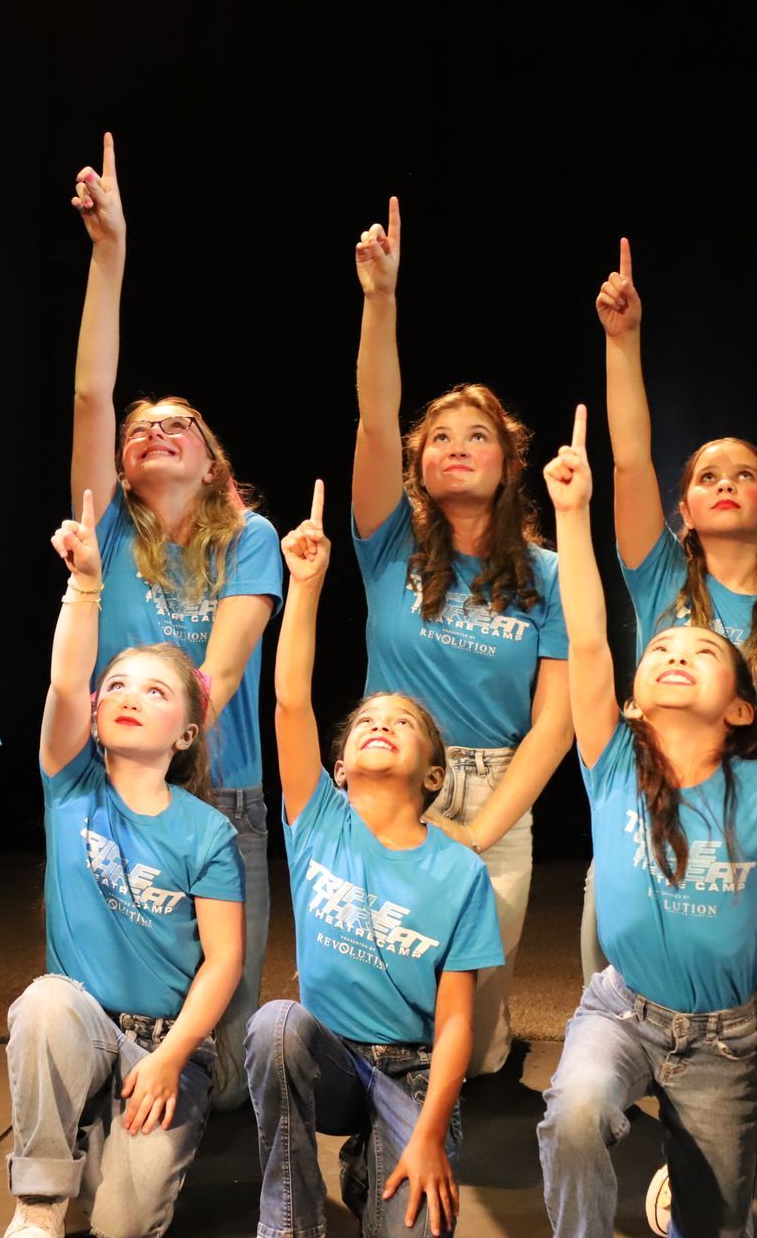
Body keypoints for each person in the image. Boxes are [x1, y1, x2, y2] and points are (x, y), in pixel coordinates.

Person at [536, 406, 757, 1238]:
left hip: (730, 1042)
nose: (671, 655)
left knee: (715, 1221)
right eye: (661, 650)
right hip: (623, 1010)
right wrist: (570, 516)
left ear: (739, 705)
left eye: (699, 654)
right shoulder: (614, 763)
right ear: (633, 696)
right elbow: (589, 641)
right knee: (578, 1113)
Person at [69, 133, 281, 1109]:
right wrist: (108, 254)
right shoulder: (109, 525)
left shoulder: (250, 536)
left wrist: (186, 708)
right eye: (140, 426)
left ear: (213, 462)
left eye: (178, 423)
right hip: (110, 789)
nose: (153, 428)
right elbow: (90, 391)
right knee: (100, 998)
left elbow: (228, 659)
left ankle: (202, 1131)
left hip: (220, 791)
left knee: (226, 1040)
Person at [351, 198, 572, 1078]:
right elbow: (374, 419)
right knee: (382, 1006)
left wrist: (478, 834)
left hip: (495, 794)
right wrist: (380, 300)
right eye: (437, 438)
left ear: (511, 463)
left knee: (470, 1048)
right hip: (387, 777)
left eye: (475, 436)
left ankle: (484, 1055)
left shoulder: (550, 579)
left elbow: (554, 724)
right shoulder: (390, 544)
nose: (453, 447)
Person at [249, 480, 502, 1238]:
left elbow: (457, 1023)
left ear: (434, 774)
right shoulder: (318, 819)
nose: (380, 725)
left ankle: (377, 1157)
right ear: (338, 768)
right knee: (275, 1025)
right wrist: (306, 585)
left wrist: (427, 1135)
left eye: (401, 722)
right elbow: (291, 700)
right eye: (366, 722)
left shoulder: (460, 872)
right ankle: (288, 1221)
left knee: (414, 1227)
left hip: (412, 1072)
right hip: (327, 1057)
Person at [2, 488, 245, 1238]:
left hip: (162, 1044)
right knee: (43, 1002)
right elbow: (64, 680)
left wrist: (173, 1057)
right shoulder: (69, 783)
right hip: (83, 1025)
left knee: (121, 1224)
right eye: (118, 686)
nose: (129, 697)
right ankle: (38, 1208)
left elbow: (223, 962)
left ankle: (104, 1146)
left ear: (187, 734)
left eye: (156, 691)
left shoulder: (206, 831)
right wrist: (85, 586)